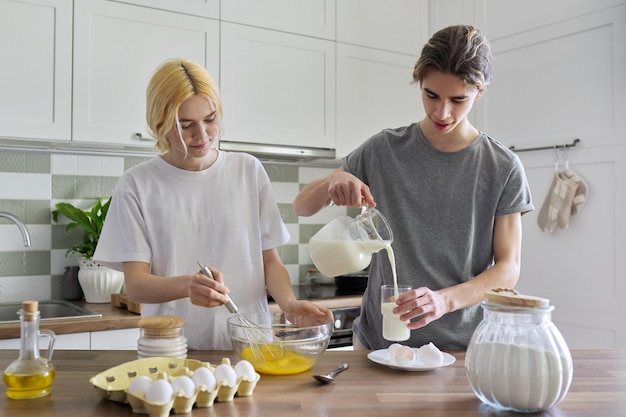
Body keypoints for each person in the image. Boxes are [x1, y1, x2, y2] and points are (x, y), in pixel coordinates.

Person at [293, 25, 534, 351]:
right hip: (377, 347)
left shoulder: (502, 167)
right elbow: (302, 207)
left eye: (458, 99)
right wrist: (333, 180)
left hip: (461, 349)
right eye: (431, 95)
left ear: (480, 92)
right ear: (419, 81)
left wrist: (443, 301)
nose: (442, 112)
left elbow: (508, 269)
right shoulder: (382, 150)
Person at [93, 58, 332, 350]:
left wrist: (290, 303)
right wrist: (187, 286)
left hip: (250, 346)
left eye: (209, 119)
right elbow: (137, 284)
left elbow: (270, 261)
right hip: (173, 348)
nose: (202, 135)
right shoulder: (137, 184)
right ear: (160, 124)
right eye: (185, 125)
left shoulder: (248, 171)